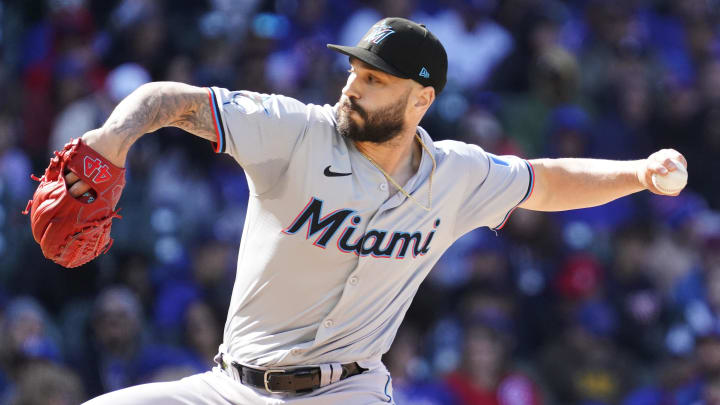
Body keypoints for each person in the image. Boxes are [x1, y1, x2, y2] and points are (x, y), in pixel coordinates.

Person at [66, 17, 686, 404]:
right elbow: (168, 99)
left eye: (374, 80)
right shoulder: (296, 132)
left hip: (349, 390)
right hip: (230, 387)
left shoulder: (457, 174)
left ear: (421, 99)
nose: (351, 87)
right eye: (355, 71)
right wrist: (107, 144)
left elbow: (546, 183)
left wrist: (636, 174)